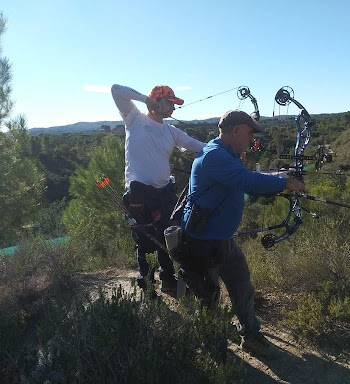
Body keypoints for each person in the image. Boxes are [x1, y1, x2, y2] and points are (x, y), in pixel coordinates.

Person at [180, 110, 306, 355]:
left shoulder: (228, 155)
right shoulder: (214, 155)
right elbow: (248, 182)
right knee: (209, 299)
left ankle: (250, 336)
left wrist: (280, 176)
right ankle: (214, 349)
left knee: (242, 286)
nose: (250, 139)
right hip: (203, 244)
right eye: (249, 133)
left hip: (222, 240)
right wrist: (287, 183)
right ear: (236, 130)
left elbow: (247, 178)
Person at [111, 84, 205, 294]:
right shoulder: (134, 119)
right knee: (145, 239)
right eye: (170, 103)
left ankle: (168, 279)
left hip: (164, 193)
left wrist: (226, 150)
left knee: (169, 236)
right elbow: (116, 89)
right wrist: (146, 100)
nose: (173, 108)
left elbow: (199, 146)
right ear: (157, 101)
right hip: (140, 194)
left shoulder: (171, 131)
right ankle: (147, 284)